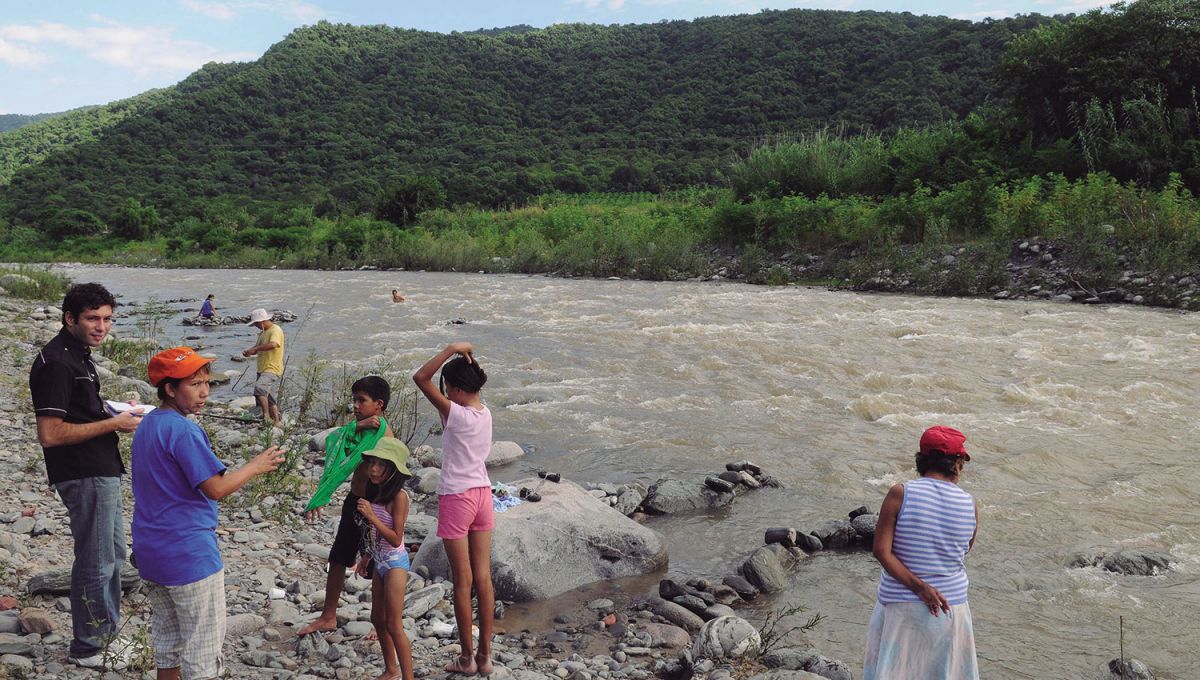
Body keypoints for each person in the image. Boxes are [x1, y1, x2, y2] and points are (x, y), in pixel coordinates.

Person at [131, 347, 287, 680]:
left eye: (206, 383)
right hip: (188, 555)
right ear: (170, 389)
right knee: (202, 652)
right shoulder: (184, 431)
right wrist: (256, 465)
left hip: (150, 551)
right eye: (194, 384)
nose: (204, 392)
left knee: (168, 642)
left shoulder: (148, 423)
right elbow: (215, 488)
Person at [29, 282, 144, 669]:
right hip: (83, 473)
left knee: (112, 556)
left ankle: (106, 635)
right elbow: (50, 433)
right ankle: (89, 646)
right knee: (95, 560)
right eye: (93, 318)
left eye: (108, 319)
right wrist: (115, 424)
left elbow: (77, 411)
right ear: (69, 318)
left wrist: (113, 410)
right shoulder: (57, 363)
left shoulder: (78, 355)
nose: (102, 327)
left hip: (100, 468)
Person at [864, 425, 980, 680]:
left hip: (901, 609)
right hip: (952, 609)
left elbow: (881, 551)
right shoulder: (970, 503)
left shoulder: (900, 493)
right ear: (957, 463)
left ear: (922, 459)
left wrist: (920, 588)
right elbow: (964, 549)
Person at [413, 342, 495, 675]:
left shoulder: (455, 414)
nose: (445, 393)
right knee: (483, 579)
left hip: (457, 498)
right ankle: (486, 658)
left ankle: (466, 659)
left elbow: (420, 377)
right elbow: (442, 388)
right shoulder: (484, 412)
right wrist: (466, 360)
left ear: (457, 389)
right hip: (483, 495)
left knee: (462, 582)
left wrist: (450, 349)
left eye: (447, 388)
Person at [297, 376, 394, 637]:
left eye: (362, 401)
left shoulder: (383, 436)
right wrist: (359, 424)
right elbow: (336, 439)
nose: (355, 406)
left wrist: (383, 515)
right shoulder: (362, 429)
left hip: (374, 506)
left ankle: (381, 622)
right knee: (339, 556)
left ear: (379, 404)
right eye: (354, 400)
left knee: (379, 563)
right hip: (354, 501)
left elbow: (391, 478)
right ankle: (328, 616)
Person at [355, 438, 415, 680]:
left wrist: (372, 515)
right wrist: (367, 556)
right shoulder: (377, 492)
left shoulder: (399, 497)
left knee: (394, 624)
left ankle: (408, 677)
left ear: (394, 471)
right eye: (372, 463)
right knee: (377, 619)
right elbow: (375, 533)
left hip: (395, 564)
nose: (373, 469)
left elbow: (396, 538)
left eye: (381, 465)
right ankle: (391, 669)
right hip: (379, 560)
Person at [242, 307, 283, 425]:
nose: (256, 326)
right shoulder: (263, 333)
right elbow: (258, 348)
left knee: (260, 389)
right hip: (262, 368)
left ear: (262, 321)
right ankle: (276, 422)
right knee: (270, 397)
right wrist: (250, 351)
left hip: (272, 368)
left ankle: (266, 417)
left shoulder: (275, 330)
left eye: (256, 324)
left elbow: (273, 344)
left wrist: (256, 348)